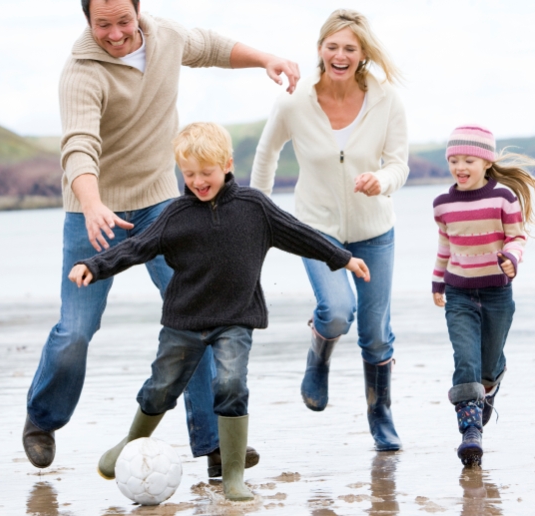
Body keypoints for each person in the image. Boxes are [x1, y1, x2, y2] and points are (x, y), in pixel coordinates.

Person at [23, 0, 302, 475]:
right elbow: (78, 146)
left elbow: (212, 47)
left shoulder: (167, 37)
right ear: (88, 21)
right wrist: (91, 203)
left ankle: (215, 445)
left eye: (124, 21)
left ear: (139, 12)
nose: (115, 34)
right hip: (93, 208)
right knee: (76, 331)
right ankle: (42, 420)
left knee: (198, 315)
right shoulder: (81, 73)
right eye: (102, 24)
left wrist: (266, 59)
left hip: (160, 202)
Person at [68, 122, 370, 501]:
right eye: (189, 173)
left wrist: (342, 258)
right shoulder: (175, 215)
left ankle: (232, 476)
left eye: (205, 172)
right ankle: (130, 441)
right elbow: (136, 247)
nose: (197, 181)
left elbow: (300, 233)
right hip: (184, 322)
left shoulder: (254, 208)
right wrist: (94, 265)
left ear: (227, 164)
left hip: (236, 319)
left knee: (230, 385)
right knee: (161, 388)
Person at [249, 9, 408, 451]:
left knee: (375, 333)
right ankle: (319, 353)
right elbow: (266, 157)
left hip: (374, 231)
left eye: (350, 48)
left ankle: (380, 413)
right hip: (316, 230)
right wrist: (259, 214)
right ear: (320, 49)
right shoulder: (294, 100)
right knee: (337, 312)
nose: (340, 55)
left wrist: (384, 181)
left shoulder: (386, 99)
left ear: (362, 55)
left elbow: (399, 163)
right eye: (332, 46)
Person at [431, 125, 535, 466]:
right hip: (458, 292)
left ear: (486, 162)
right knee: (466, 360)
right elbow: (445, 245)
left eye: (468, 159)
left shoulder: (504, 197)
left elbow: (516, 237)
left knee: (487, 365)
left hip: (498, 293)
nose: (460, 166)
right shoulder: (442, 204)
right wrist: (438, 281)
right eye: (454, 160)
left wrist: (512, 258)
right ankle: (470, 432)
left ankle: (491, 381)